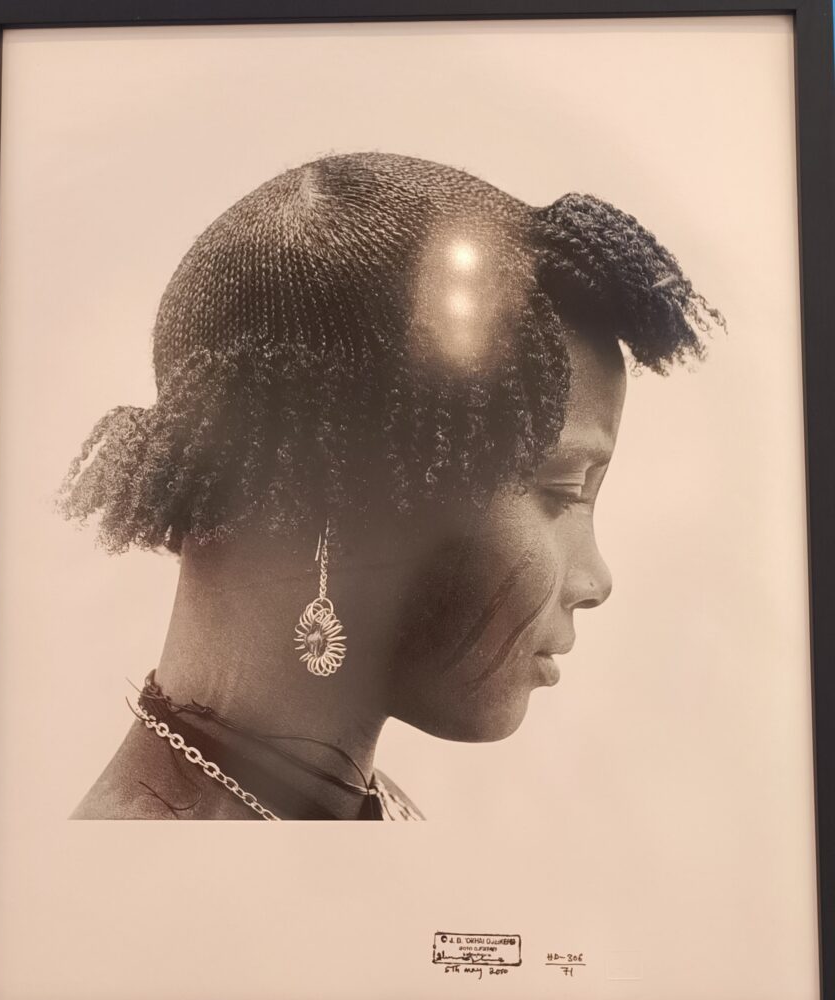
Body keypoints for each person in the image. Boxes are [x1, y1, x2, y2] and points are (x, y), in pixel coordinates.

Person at [60, 151, 722, 820]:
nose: (596, 580)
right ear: (336, 490)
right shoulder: (138, 860)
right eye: (561, 493)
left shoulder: (365, 814)